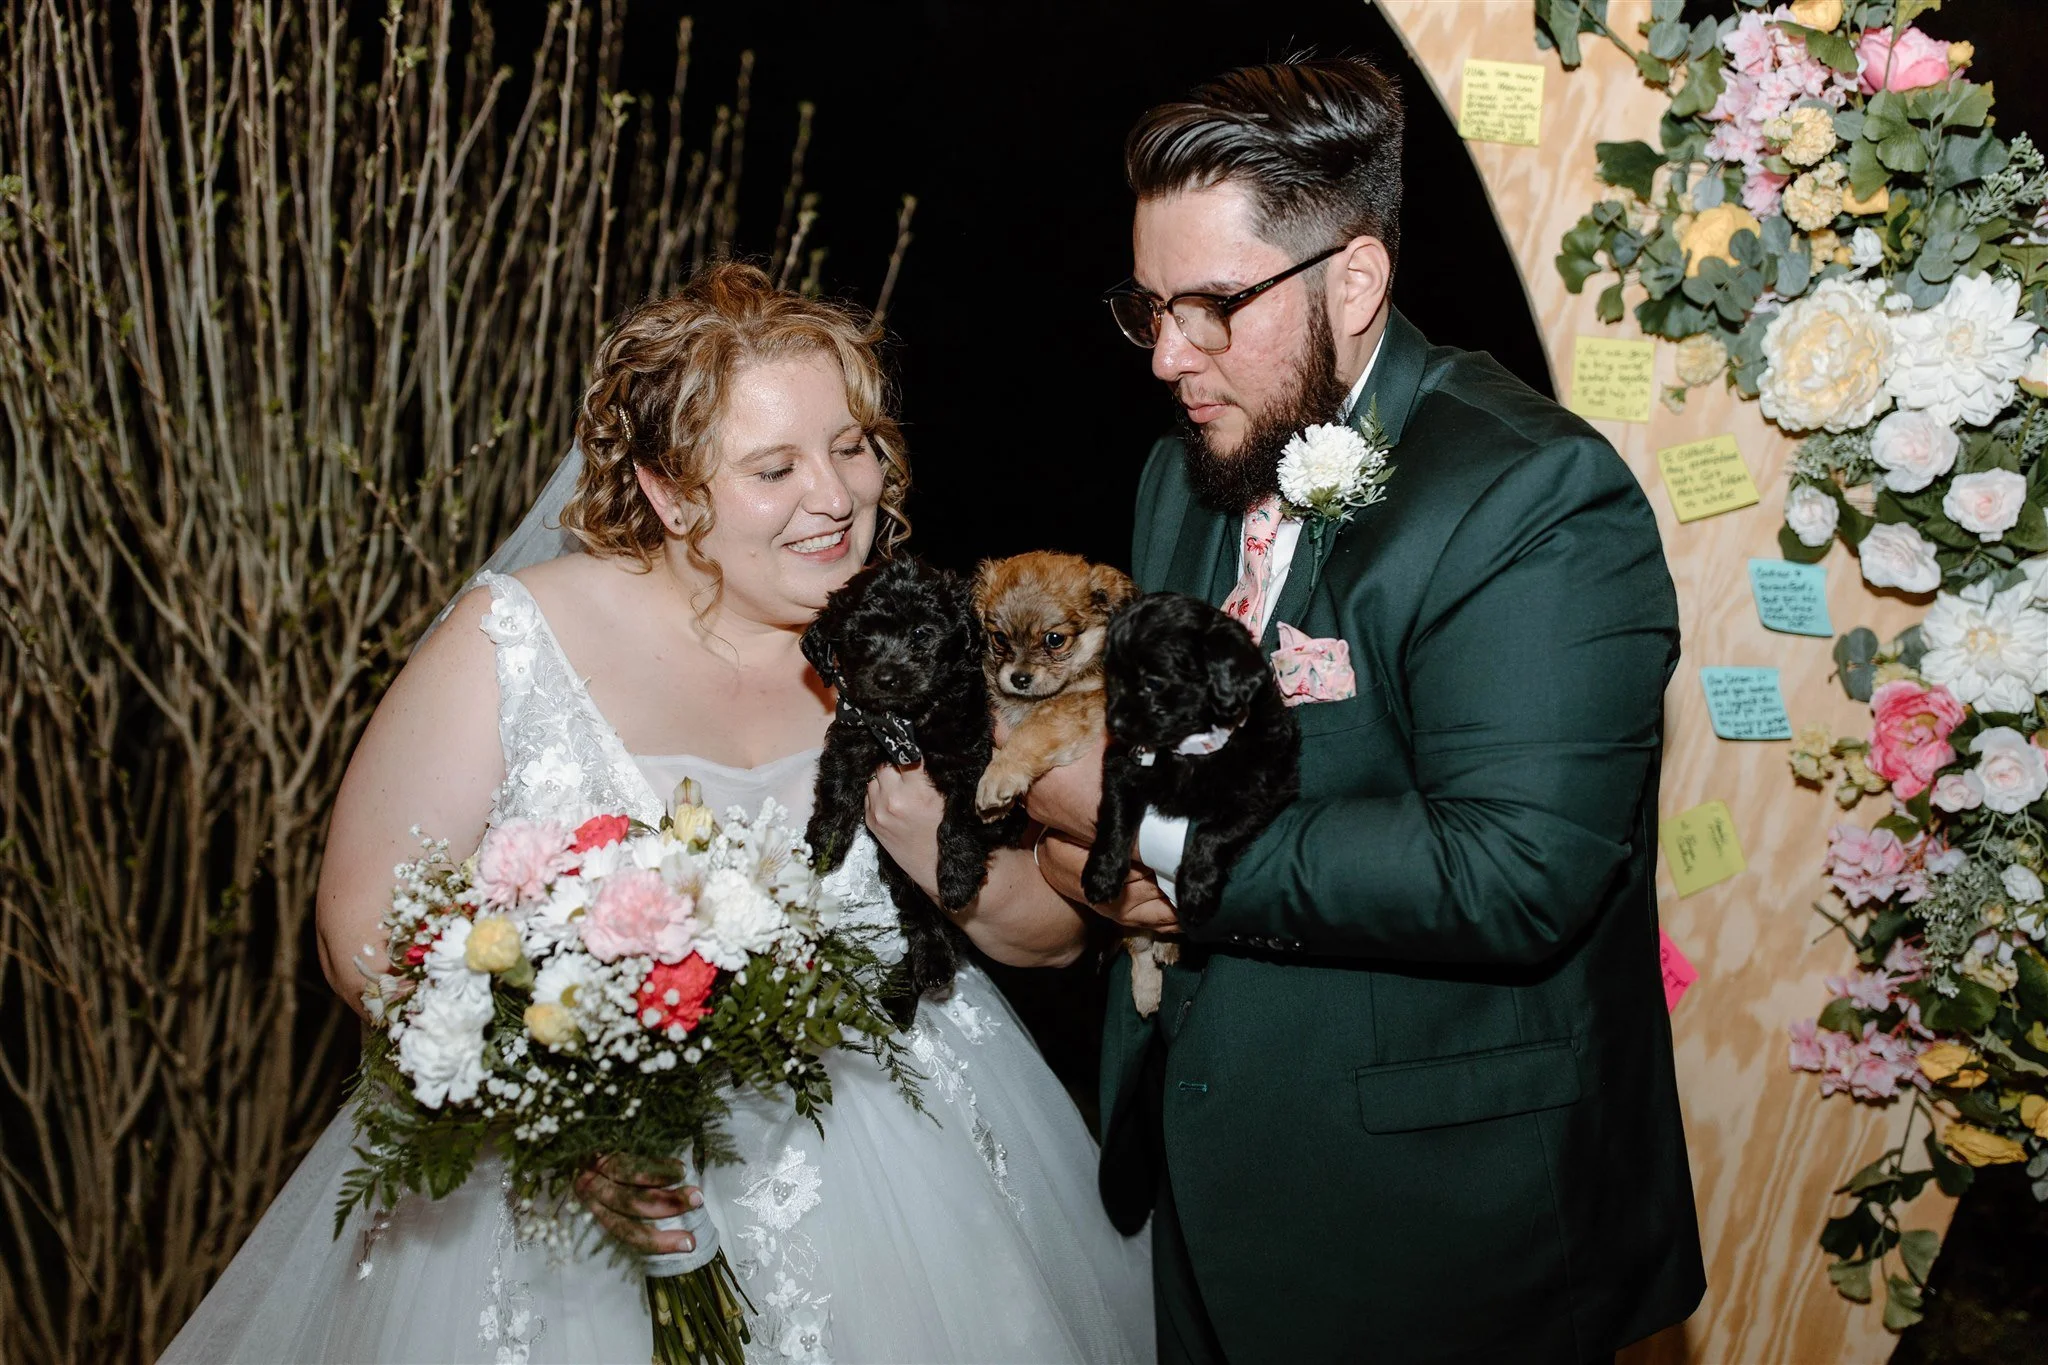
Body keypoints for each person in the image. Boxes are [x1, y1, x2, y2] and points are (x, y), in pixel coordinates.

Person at [162, 263, 1153, 1365]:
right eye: (773, 467)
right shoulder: (518, 639)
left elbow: (1050, 932)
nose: (835, 497)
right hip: (566, 1208)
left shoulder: (928, 641)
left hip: (919, 1196)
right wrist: (565, 1112)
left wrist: (920, 824)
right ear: (671, 491)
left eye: (852, 444)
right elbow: (363, 929)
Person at [1027, 57, 1707, 1364]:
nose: (1170, 356)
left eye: (1214, 306)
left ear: (1354, 279)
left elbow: (1514, 867)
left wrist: (1156, 837)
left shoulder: (1535, 497)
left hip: (1444, 1237)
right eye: (1149, 307)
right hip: (1214, 1195)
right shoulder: (1182, 477)